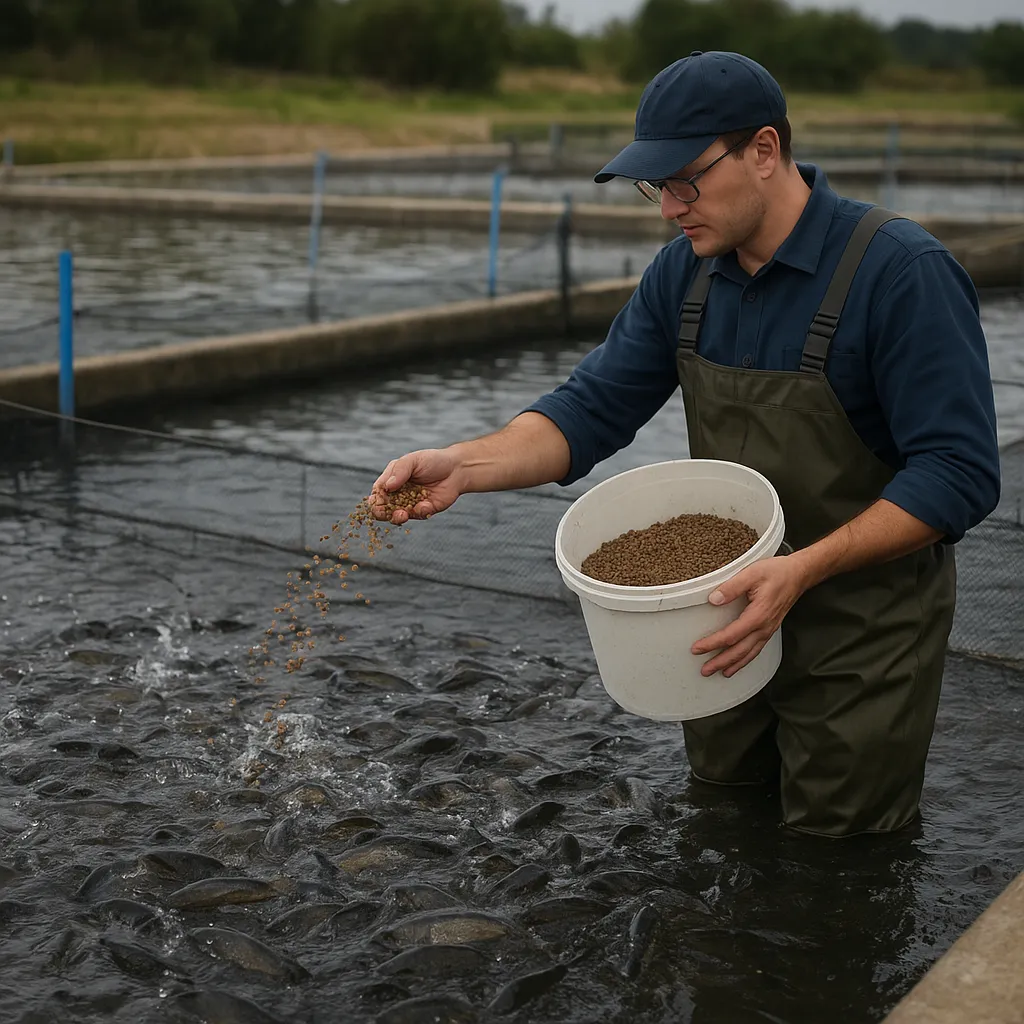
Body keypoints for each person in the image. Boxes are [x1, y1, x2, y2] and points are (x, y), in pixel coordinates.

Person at [371, 51, 1001, 838]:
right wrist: (462, 465)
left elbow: (960, 472)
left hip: (859, 630)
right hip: (718, 620)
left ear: (765, 152)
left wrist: (802, 569)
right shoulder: (686, 274)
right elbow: (590, 409)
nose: (669, 208)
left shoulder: (900, 273)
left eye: (685, 181)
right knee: (723, 819)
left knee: (839, 854)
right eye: (655, 186)